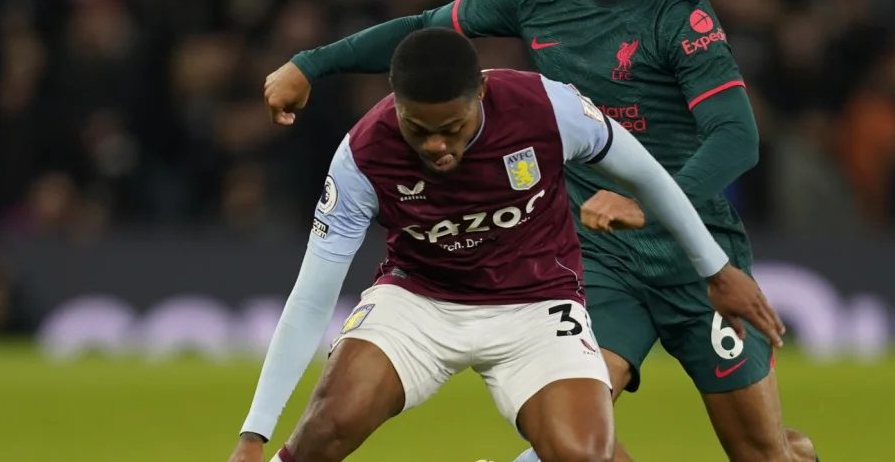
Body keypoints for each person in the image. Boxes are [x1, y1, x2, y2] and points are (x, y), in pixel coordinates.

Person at [263, 0, 818, 462]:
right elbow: (428, 30)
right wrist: (310, 63)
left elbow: (737, 137)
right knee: (578, 439)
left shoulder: (679, 14)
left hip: (692, 250)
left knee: (763, 454)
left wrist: (646, 203)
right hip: (596, 259)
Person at [229, 28, 783, 462]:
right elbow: (310, 298)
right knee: (330, 423)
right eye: (419, 129)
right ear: (395, 105)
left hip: (537, 304)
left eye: (452, 125)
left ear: (482, 92)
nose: (438, 146)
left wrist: (715, 269)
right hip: (419, 300)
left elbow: (650, 178)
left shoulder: (548, 108)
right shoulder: (363, 155)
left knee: (580, 452)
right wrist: (253, 433)